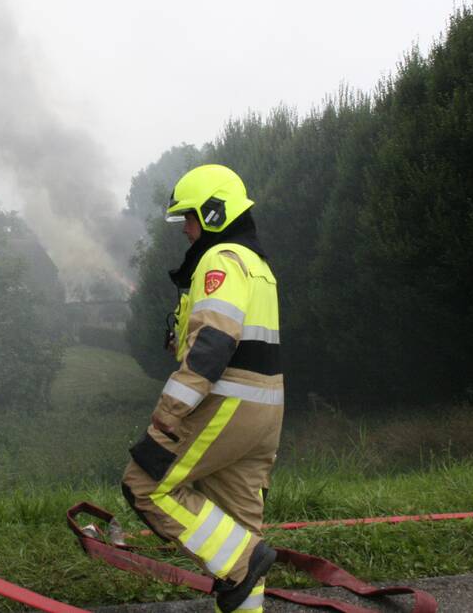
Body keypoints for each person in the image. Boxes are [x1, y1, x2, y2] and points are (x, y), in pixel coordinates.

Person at [122, 164, 284, 613]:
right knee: (237, 524)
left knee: (144, 483)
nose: (185, 229)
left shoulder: (220, 259)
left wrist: (170, 411)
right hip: (265, 412)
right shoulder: (258, 265)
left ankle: (245, 560)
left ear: (214, 213)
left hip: (227, 402)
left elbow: (213, 342)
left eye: (189, 217)